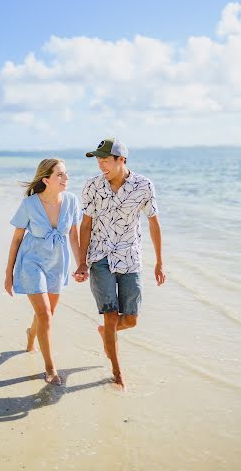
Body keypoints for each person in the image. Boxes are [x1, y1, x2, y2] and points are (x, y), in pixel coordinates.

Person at [74, 138, 166, 389]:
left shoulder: (144, 186)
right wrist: (82, 262)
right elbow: (86, 224)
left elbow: (153, 223)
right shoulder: (92, 186)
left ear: (121, 160)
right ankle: (117, 374)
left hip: (130, 258)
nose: (100, 165)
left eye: (105, 160)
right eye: (98, 160)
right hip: (100, 257)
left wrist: (159, 262)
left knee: (131, 319)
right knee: (111, 316)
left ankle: (106, 333)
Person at [5, 159, 82, 385]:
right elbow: (17, 239)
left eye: (66, 174)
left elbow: (74, 237)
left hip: (58, 263)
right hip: (31, 261)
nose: (66, 178)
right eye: (60, 175)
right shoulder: (29, 204)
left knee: (47, 313)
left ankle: (31, 334)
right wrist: (8, 273)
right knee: (45, 315)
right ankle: (50, 368)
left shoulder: (71, 201)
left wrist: (81, 265)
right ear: (46, 180)